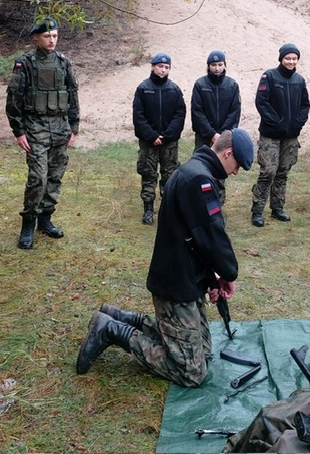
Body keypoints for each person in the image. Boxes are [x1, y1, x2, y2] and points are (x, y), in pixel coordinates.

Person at [76, 129, 254, 387]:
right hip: (176, 283)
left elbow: (195, 238)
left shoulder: (195, 170)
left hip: (187, 277)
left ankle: (120, 317)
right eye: (237, 165)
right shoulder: (200, 181)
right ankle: (112, 330)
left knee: (204, 352)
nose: (236, 172)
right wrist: (228, 272)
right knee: (192, 372)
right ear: (228, 153)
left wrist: (213, 278)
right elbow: (212, 237)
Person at [5, 17, 80, 249]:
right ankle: (28, 223)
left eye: (55, 36)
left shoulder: (63, 62)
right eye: (47, 36)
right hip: (35, 129)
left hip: (60, 128)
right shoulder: (25, 63)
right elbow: (14, 98)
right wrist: (19, 131)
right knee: (38, 178)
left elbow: (72, 94)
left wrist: (74, 126)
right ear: (36, 37)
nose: (52, 40)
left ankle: (45, 219)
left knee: (55, 176)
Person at [251, 43, 310, 227]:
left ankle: (277, 208)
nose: (291, 62)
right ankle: (257, 211)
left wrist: (298, 123)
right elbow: (261, 102)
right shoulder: (269, 76)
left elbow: (305, 105)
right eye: (287, 58)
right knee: (268, 171)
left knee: (283, 172)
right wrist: (277, 122)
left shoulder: (299, 80)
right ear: (281, 59)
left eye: (294, 58)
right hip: (271, 134)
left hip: (291, 136)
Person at [133, 53, 186, 225]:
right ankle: (148, 207)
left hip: (169, 143)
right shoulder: (143, 89)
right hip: (149, 142)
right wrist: (152, 136)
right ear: (153, 66)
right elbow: (139, 116)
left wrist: (167, 135)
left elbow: (180, 114)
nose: (163, 70)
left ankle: (167, 207)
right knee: (148, 173)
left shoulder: (174, 90)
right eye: (160, 66)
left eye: (166, 67)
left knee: (169, 174)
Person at [190, 50, 241, 203]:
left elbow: (234, 112)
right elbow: (197, 112)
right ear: (208, 66)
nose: (217, 68)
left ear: (225, 65)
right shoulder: (200, 85)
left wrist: (222, 135)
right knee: (200, 169)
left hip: (223, 138)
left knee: (220, 169)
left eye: (220, 64)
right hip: (204, 137)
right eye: (213, 65)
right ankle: (198, 203)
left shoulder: (232, 85)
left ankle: (217, 205)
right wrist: (212, 134)